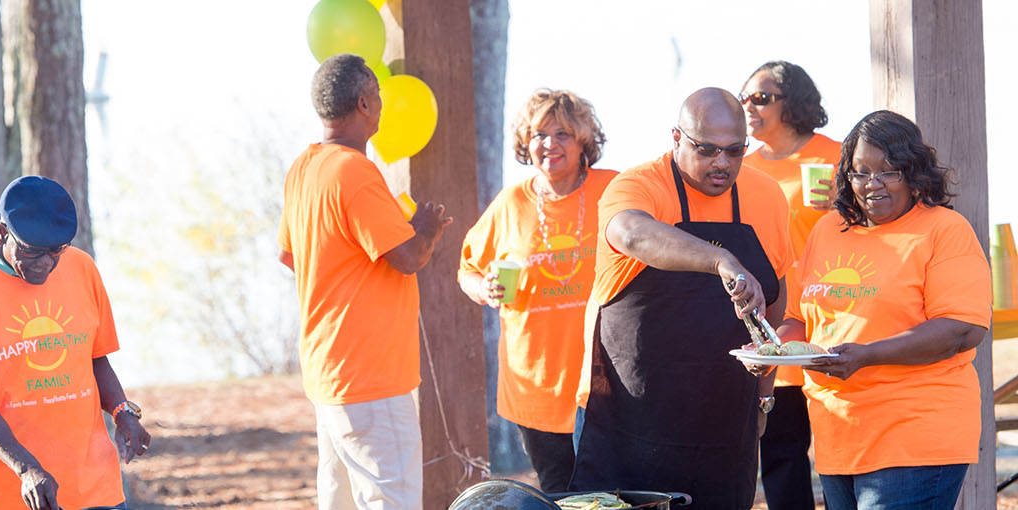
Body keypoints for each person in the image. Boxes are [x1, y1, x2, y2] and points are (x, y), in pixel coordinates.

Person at [568, 88, 793, 509]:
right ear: (676, 138)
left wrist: (764, 397)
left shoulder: (766, 196)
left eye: (735, 151)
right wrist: (720, 259)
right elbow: (631, 233)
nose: (722, 163)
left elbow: (773, 308)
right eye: (706, 149)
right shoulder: (637, 185)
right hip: (626, 426)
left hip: (724, 433)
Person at [779, 110, 990, 509]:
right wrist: (770, 352)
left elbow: (962, 330)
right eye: (860, 173)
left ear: (913, 172)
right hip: (837, 434)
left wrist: (867, 355)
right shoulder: (828, 229)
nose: (872, 185)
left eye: (888, 171)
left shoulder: (944, 230)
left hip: (914, 436)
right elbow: (798, 320)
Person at [278, 53, 452, 510]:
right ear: (363, 104)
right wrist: (427, 229)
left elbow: (290, 255)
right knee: (389, 502)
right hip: (371, 379)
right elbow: (409, 258)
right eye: (377, 96)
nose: (380, 106)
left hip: (329, 371)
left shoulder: (303, 168)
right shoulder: (355, 171)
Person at [0, 175, 150, 510]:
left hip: (94, 487)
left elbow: (94, 357)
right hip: (11, 492)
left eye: (56, 252)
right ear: (2, 232)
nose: (46, 264)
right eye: (33, 252)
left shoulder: (82, 267)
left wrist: (123, 412)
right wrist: (26, 468)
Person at [457, 88, 616, 493]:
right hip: (535, 383)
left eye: (562, 133)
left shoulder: (613, 190)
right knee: (558, 493)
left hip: (605, 380)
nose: (550, 144)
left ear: (583, 139)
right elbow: (467, 271)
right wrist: (484, 288)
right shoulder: (510, 203)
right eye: (539, 134)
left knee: (611, 492)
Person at [739, 60, 842, 509]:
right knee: (780, 455)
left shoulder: (837, 155)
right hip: (777, 328)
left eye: (761, 98)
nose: (749, 106)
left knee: (845, 453)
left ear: (793, 102)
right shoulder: (738, 170)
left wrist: (846, 203)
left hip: (836, 320)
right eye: (744, 98)